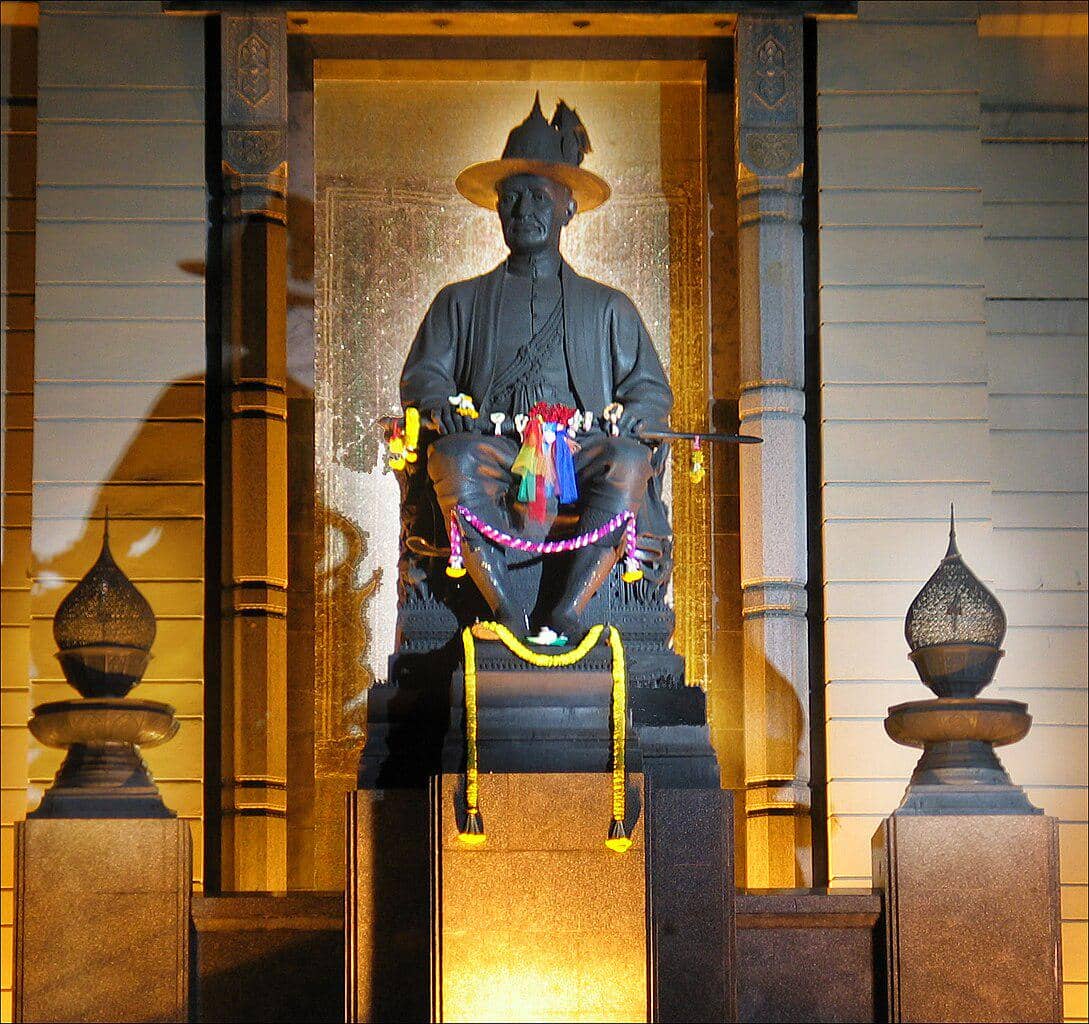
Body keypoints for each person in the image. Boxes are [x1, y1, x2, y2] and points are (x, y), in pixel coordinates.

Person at [400, 94, 672, 643]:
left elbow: (649, 391)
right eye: (513, 198)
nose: (524, 210)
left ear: (568, 207)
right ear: (497, 209)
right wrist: (441, 409)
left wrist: (633, 420)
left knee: (624, 459)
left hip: (579, 448)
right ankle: (502, 606)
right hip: (499, 444)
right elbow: (424, 376)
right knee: (453, 457)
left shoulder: (607, 307)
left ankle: (570, 607)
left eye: (539, 197)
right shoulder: (460, 301)